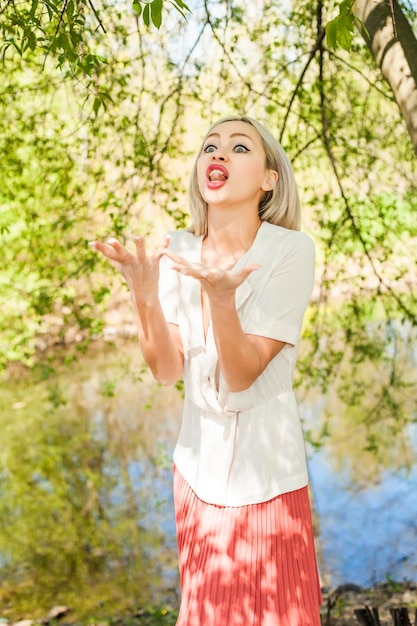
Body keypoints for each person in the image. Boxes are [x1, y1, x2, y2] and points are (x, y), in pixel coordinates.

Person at [89, 115, 322, 625]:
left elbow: (243, 375)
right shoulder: (178, 249)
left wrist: (222, 300)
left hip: (267, 481)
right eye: (210, 147)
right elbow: (167, 369)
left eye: (240, 148)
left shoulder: (291, 250)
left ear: (268, 179)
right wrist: (144, 294)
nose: (218, 155)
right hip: (196, 472)